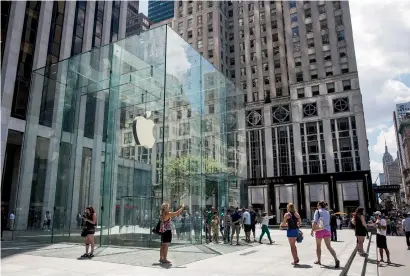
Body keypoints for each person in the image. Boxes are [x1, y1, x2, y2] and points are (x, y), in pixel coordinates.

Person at [311, 202, 340, 268]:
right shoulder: (327, 212)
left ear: (319, 205)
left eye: (317, 205)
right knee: (329, 246)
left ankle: (319, 260)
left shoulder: (317, 211)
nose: (317, 206)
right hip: (327, 230)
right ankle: (336, 259)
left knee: (318, 246)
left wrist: (312, 230)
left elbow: (315, 222)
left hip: (319, 230)